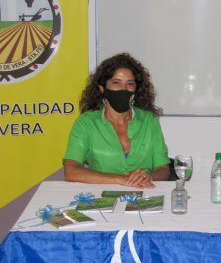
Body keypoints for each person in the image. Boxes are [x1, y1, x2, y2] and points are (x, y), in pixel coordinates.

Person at [63, 53, 170, 188]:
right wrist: (120, 180)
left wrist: (149, 176)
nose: (124, 89)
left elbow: (164, 170)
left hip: (144, 195)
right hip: (101, 200)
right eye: (116, 83)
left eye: (130, 84)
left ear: (136, 89)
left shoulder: (149, 120)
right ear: (102, 88)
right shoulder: (86, 123)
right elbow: (71, 172)